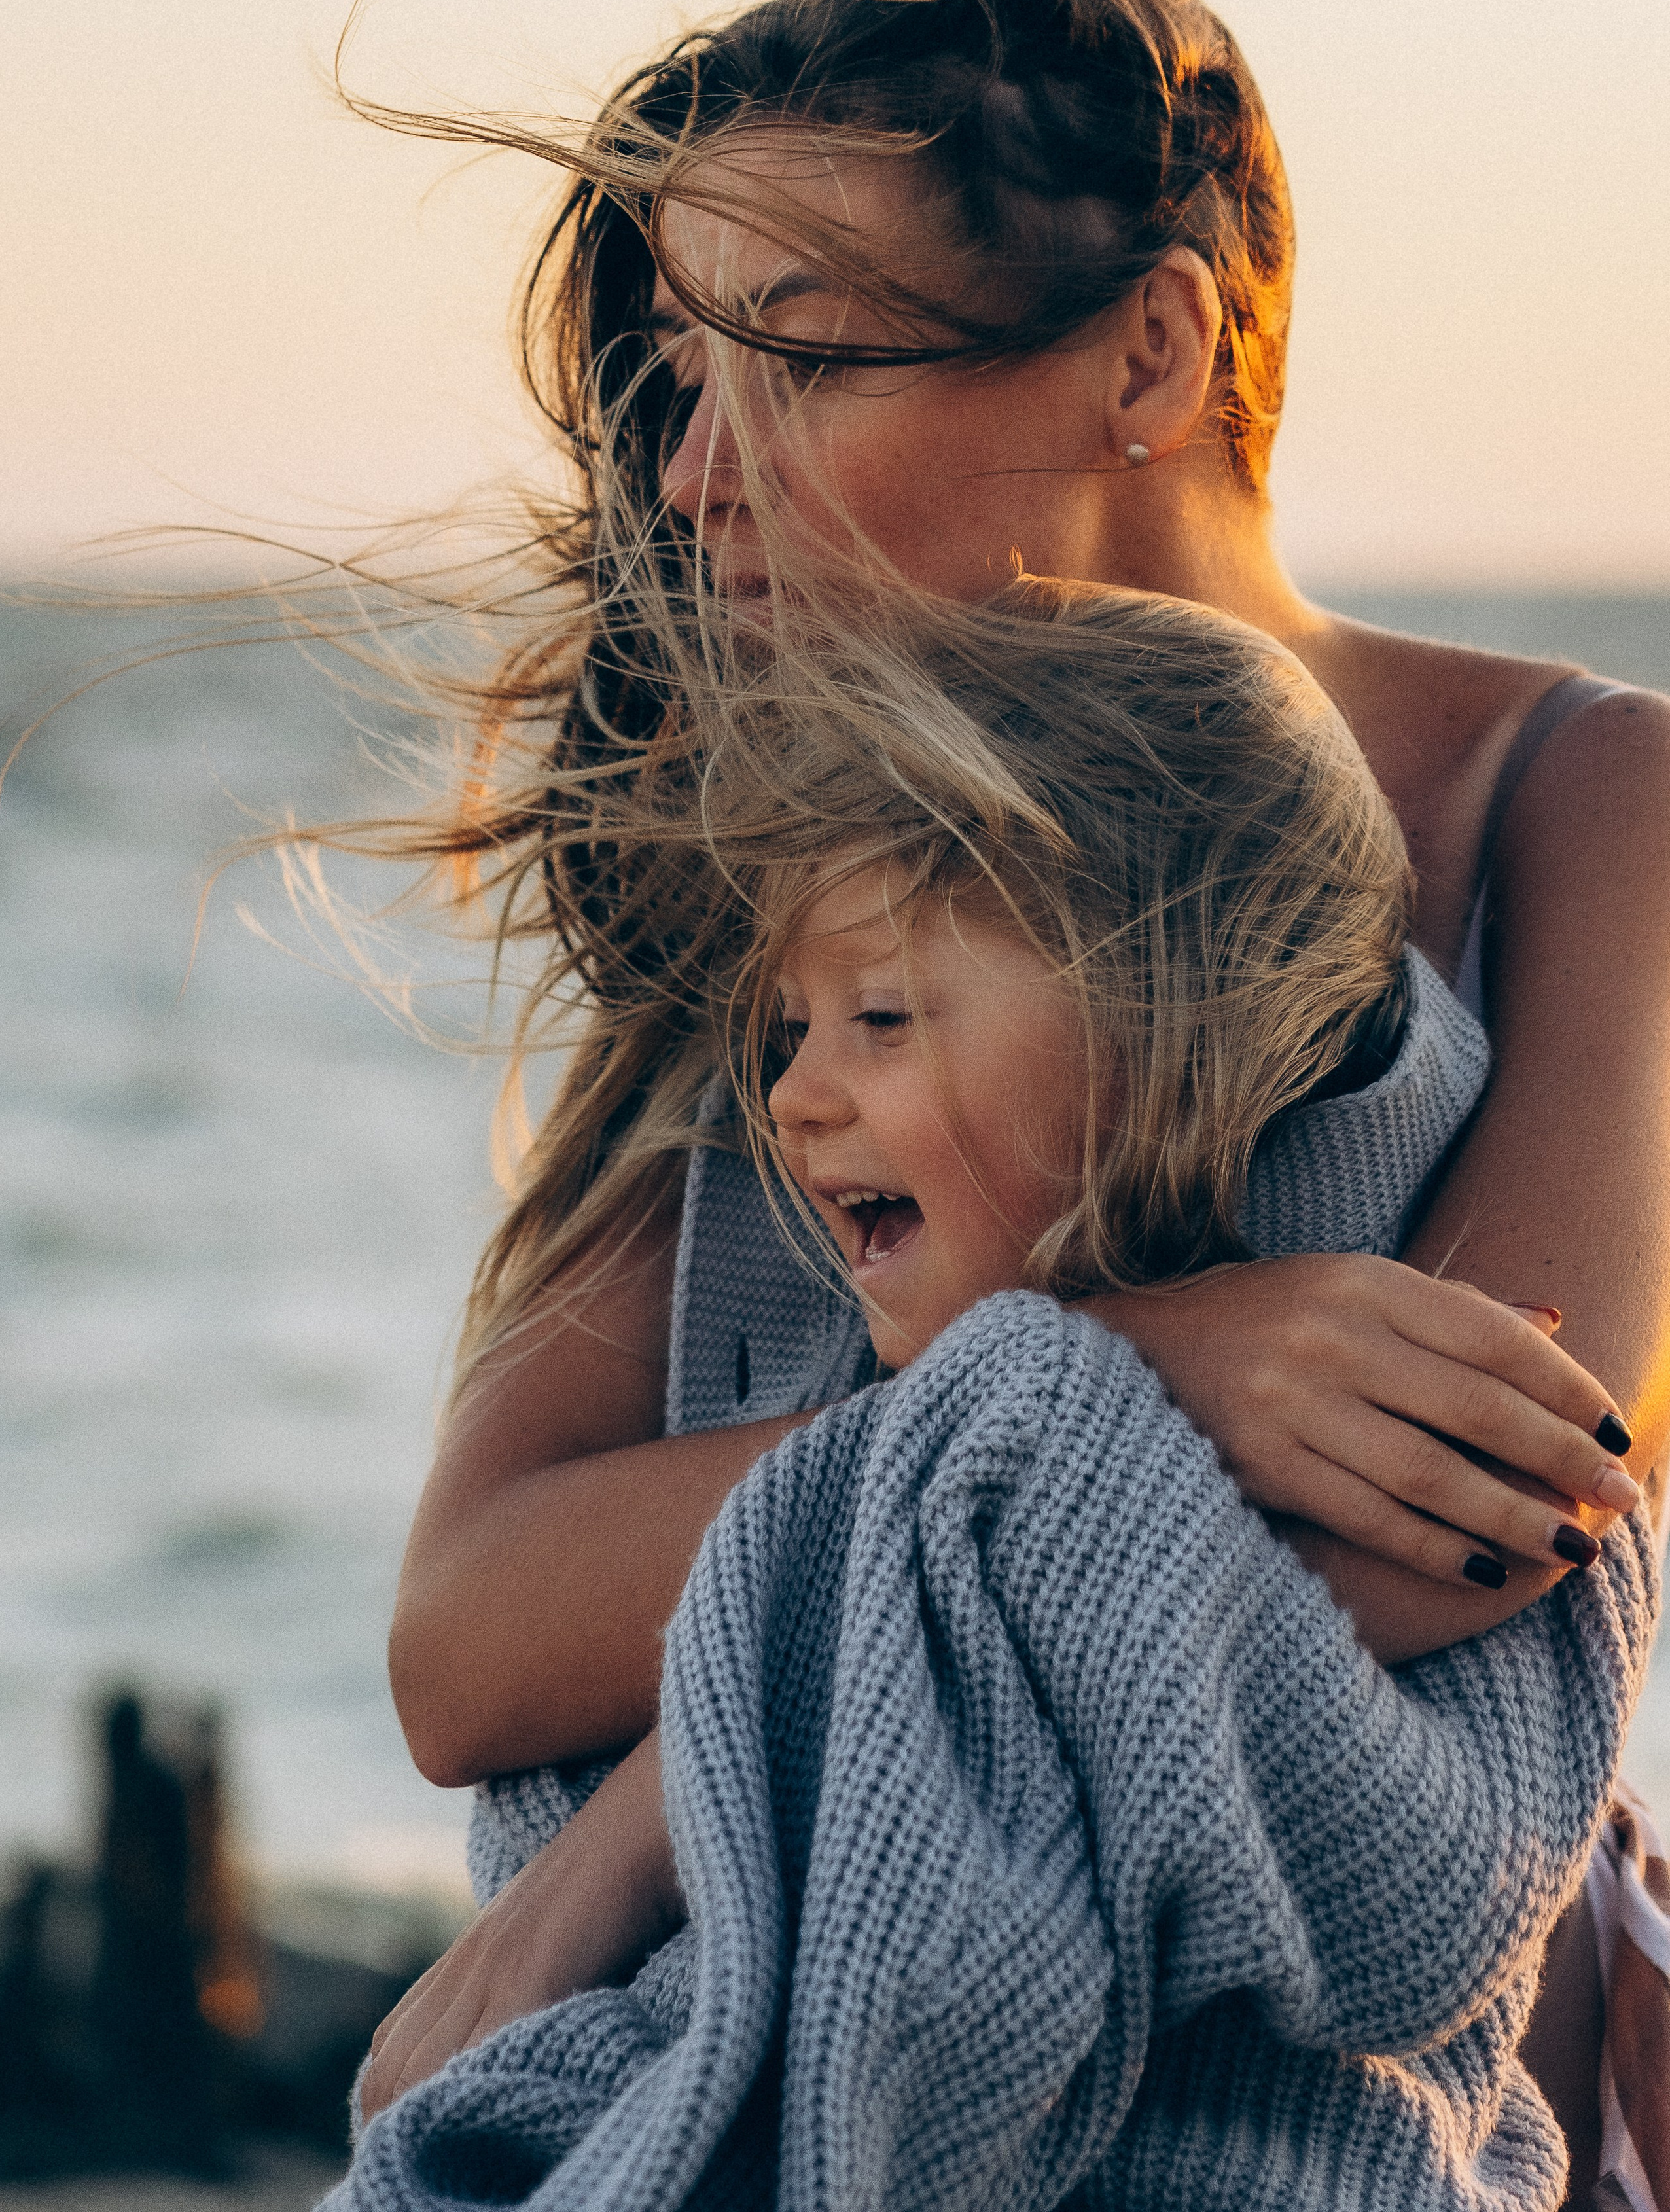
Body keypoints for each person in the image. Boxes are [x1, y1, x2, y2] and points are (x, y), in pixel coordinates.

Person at [370, 0, 1670, 2196]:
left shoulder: (1585, 801)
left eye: (810, 356)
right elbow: (472, 1642)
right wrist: (1173, 1361)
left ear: (1152, 354)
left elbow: (1464, 1529)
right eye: (681, 375)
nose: (692, 474)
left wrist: (662, 1814)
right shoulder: (778, 874)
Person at [355, 582, 1653, 2212]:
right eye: (786, 1032)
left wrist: (1035, 1409)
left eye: (882, 1020)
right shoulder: (850, 1272)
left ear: (1159, 1021)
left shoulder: (1398, 1364)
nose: (801, 1097)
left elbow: (1413, 1885)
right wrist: (1112, 1367)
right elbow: (465, 1682)